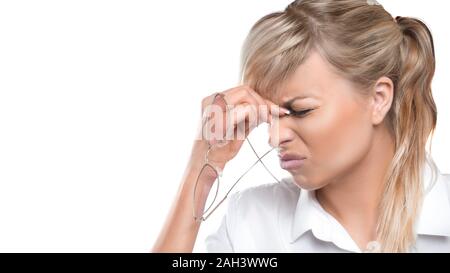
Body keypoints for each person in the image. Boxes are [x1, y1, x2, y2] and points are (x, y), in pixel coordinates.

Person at [152, 0, 450, 253]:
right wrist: (199, 171)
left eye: (301, 110)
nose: (274, 137)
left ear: (378, 98)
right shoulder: (252, 222)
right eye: (269, 117)